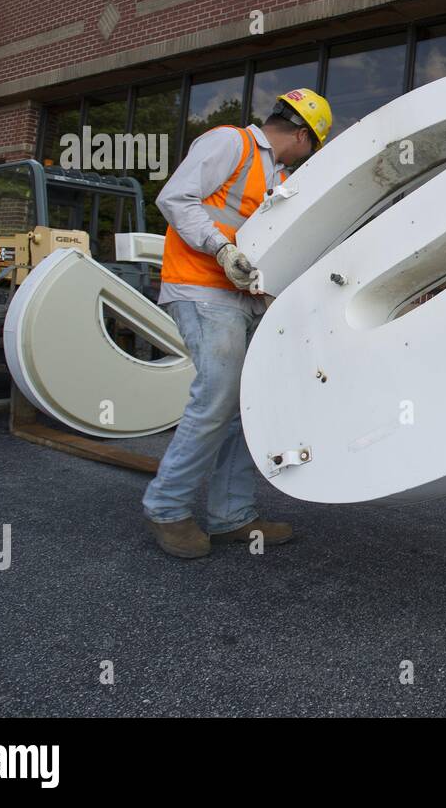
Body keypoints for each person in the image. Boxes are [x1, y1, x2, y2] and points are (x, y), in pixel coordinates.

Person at [142, 89, 333, 558]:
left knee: (246, 406)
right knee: (219, 396)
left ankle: (232, 517)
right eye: (315, 148)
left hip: (240, 299)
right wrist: (221, 249)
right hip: (201, 289)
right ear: (305, 137)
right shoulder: (231, 143)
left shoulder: (280, 178)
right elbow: (175, 198)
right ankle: (167, 507)